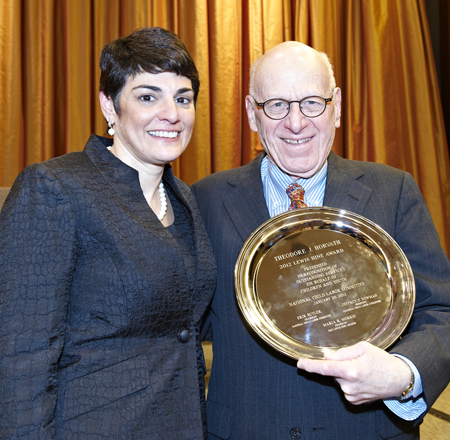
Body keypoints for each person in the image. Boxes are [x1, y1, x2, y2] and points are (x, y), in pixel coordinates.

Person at [192, 41, 450, 439]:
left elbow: (442, 311)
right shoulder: (205, 199)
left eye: (312, 102)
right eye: (276, 105)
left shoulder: (393, 190)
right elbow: (181, 325)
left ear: (338, 106)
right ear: (251, 114)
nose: (296, 123)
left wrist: (402, 373)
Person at [0, 27, 215, 439]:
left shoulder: (185, 199)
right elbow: (21, 357)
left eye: (183, 98)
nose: (171, 113)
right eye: (148, 96)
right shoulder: (55, 188)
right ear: (109, 106)